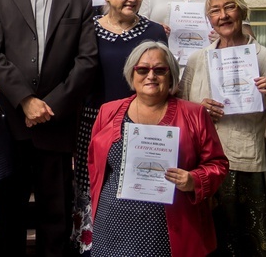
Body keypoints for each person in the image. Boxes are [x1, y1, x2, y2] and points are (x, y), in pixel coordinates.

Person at [0, 0, 99, 256]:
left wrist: (49, 106)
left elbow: (86, 62)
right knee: (8, 217)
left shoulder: (78, 2)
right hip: (11, 125)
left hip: (56, 125)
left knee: (55, 218)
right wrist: (26, 101)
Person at [179, 0, 266, 256]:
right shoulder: (198, 59)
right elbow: (180, 111)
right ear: (209, 20)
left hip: (242, 165)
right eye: (215, 11)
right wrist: (199, 109)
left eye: (229, 7)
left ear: (242, 11)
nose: (223, 15)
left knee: (244, 247)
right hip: (199, 164)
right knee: (204, 243)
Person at [88, 41, 228, 257]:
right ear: (131, 74)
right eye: (142, 69)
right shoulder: (108, 111)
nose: (150, 76)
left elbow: (218, 164)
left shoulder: (195, 114)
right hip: (112, 224)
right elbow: (95, 165)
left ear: (171, 75)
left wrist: (194, 180)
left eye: (160, 70)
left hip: (169, 227)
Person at [72, 0, 167, 254]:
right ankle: (91, 248)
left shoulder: (155, 31)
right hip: (92, 123)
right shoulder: (86, 28)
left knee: (134, 190)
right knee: (92, 191)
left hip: (139, 123)